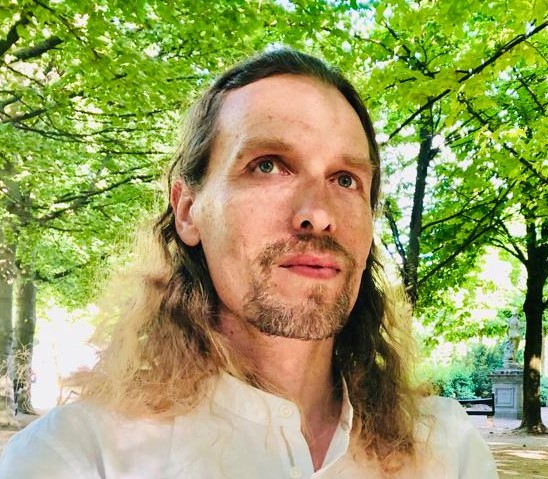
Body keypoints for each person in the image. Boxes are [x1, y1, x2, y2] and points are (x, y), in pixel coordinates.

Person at [0, 48, 498, 478]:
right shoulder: (77, 456)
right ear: (188, 211)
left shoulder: (447, 450)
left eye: (346, 179)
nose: (319, 214)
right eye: (268, 166)